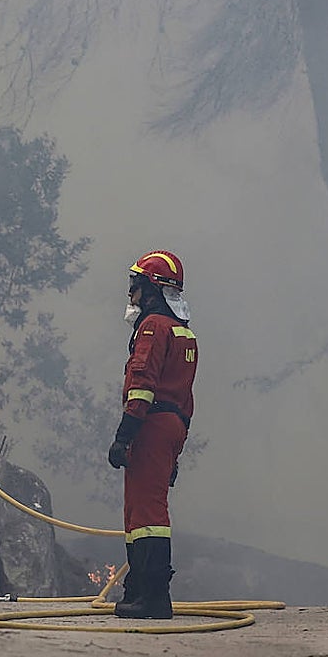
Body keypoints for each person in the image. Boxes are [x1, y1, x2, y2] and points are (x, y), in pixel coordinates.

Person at [107, 251, 197, 619]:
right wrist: (176, 454)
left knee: (148, 513)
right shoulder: (184, 332)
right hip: (172, 426)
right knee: (139, 511)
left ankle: (155, 596)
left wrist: (124, 434)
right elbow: (186, 399)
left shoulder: (152, 328)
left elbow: (142, 386)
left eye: (136, 286)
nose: (131, 296)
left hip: (150, 424)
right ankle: (138, 589)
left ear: (152, 289)